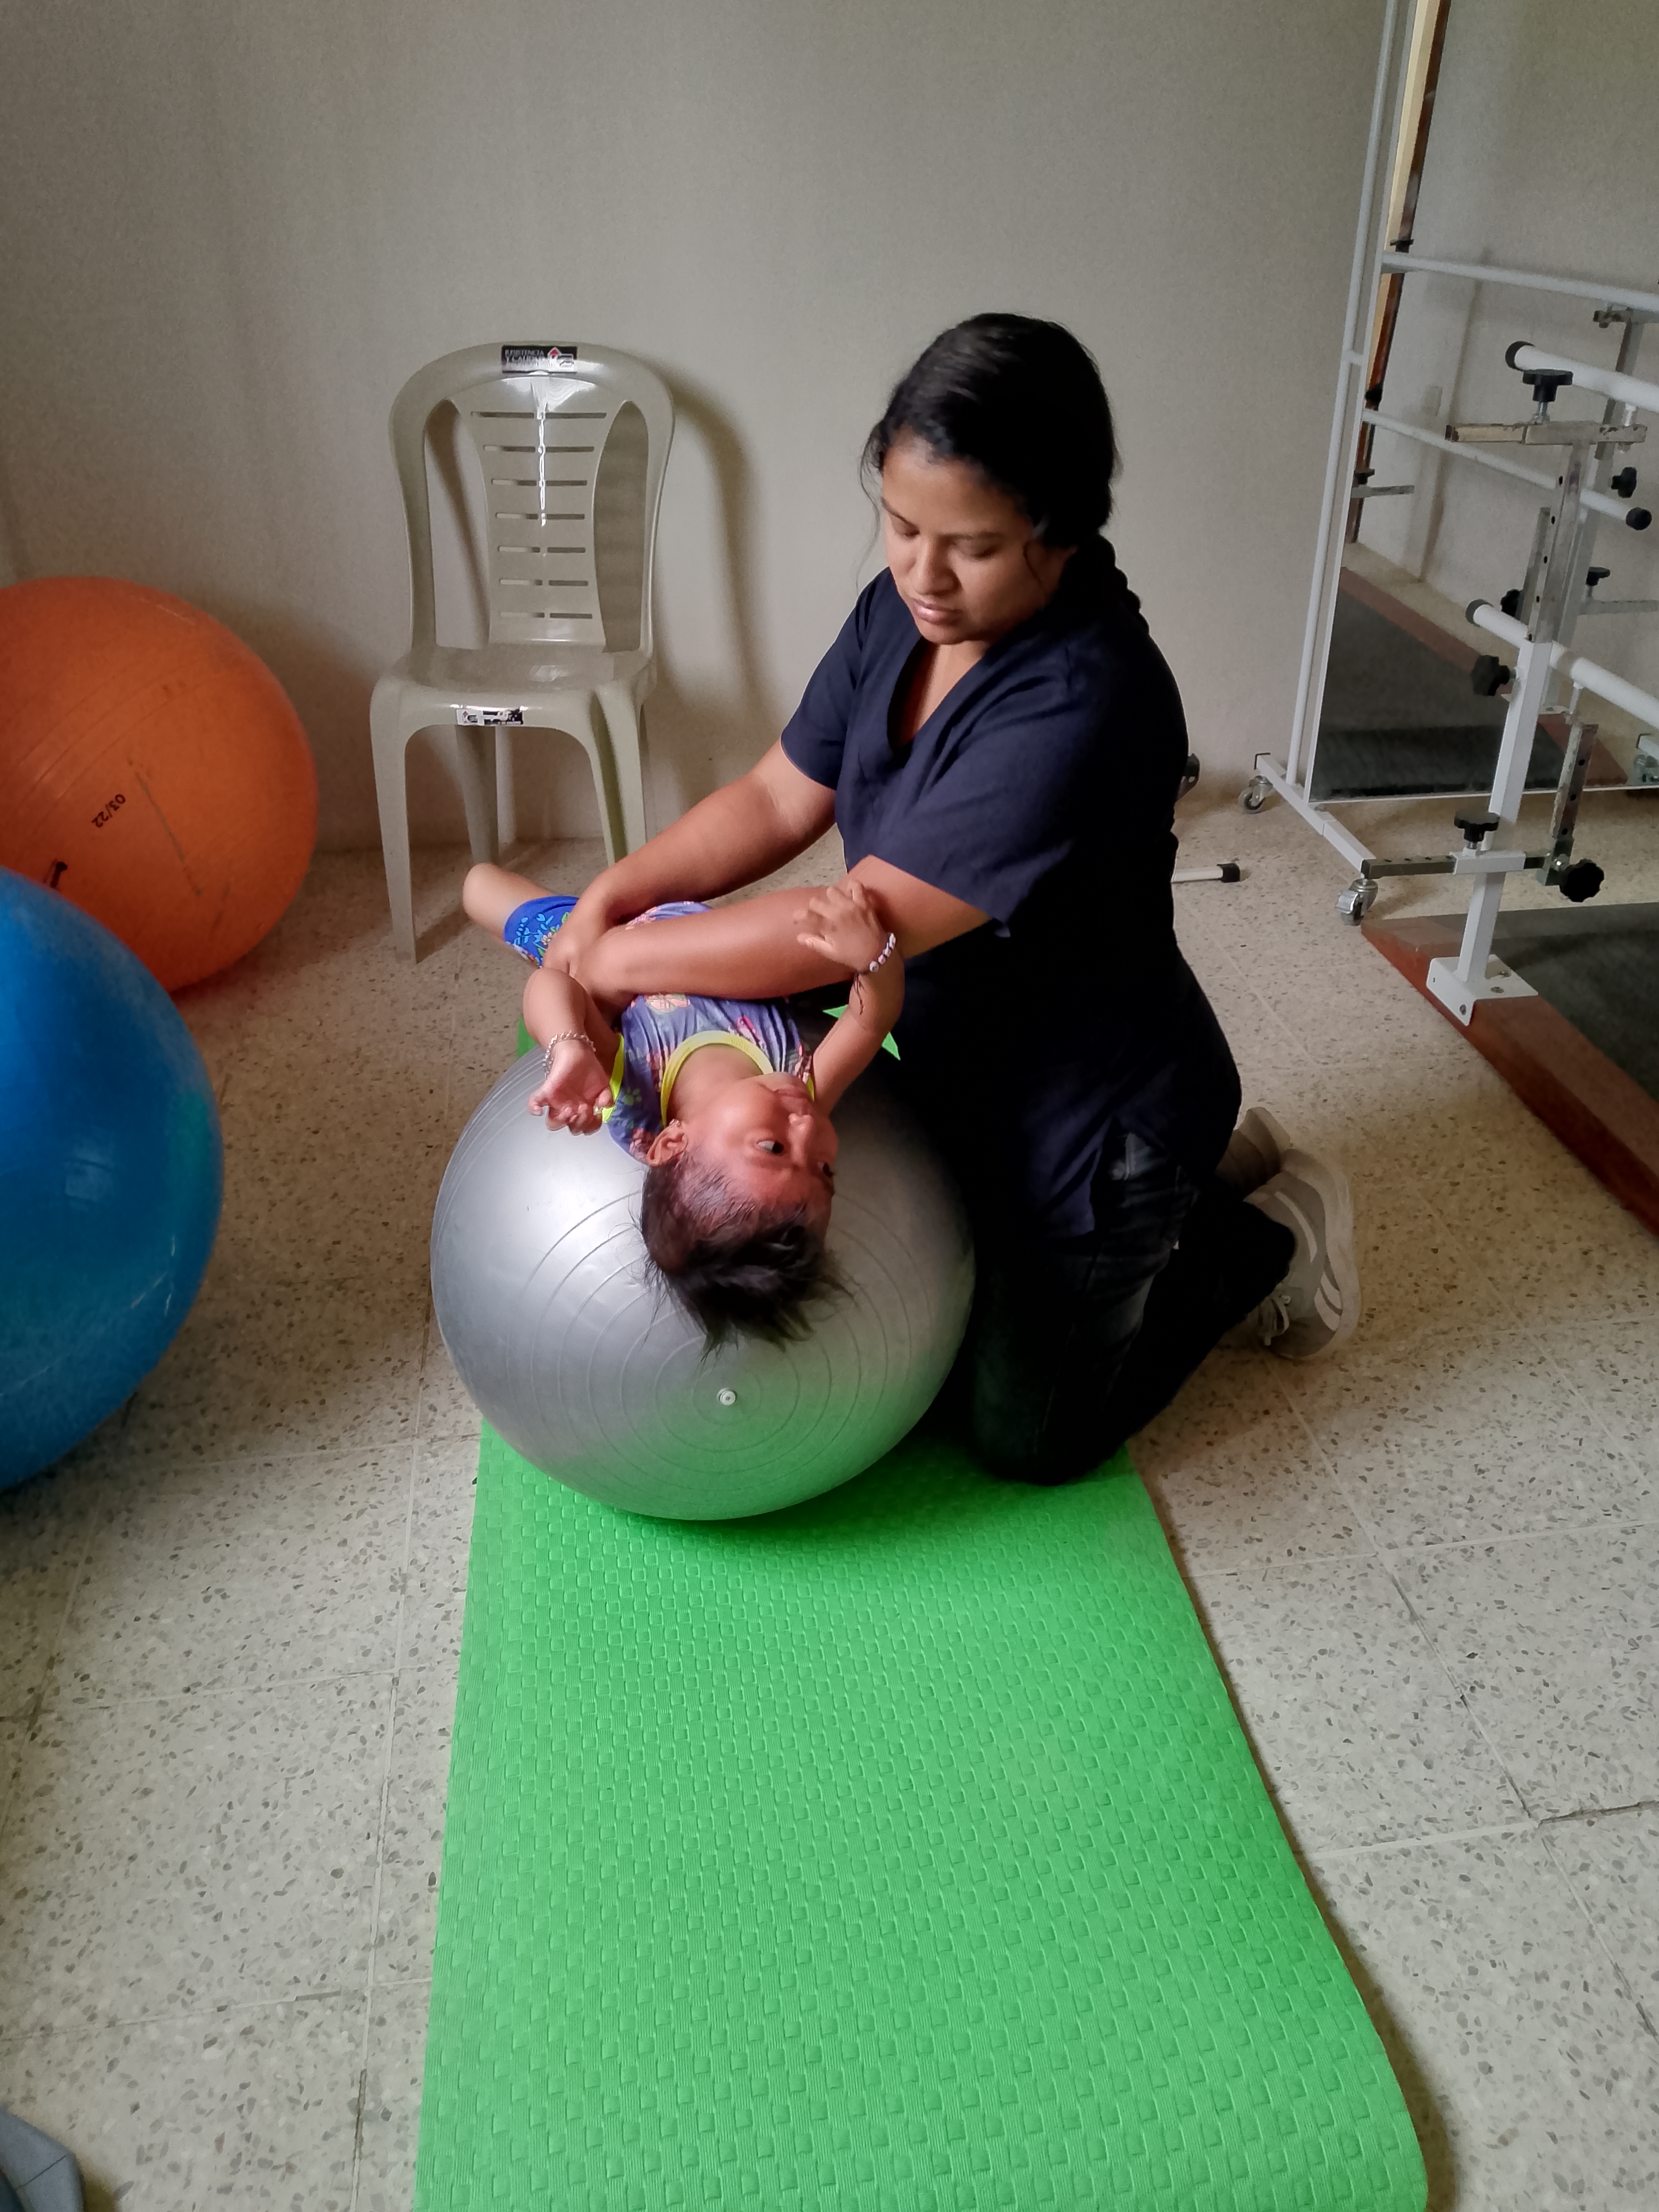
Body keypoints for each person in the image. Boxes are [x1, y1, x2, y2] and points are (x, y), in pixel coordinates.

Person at [531, 312, 1359, 1482]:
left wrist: (615, 961)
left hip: (1096, 1124)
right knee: (930, 1334)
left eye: (970, 546)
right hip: (966, 1071)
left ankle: (1267, 1234)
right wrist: (610, 897)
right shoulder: (901, 614)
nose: (922, 572)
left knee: (1025, 1438)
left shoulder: (1086, 704)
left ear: (1062, 534)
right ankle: (1207, 1192)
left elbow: (845, 930)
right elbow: (775, 795)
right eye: (902, 523)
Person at [460, 861, 904, 1347]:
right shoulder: (802, 1088)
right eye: (825, 1169)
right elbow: (868, 1021)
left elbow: (550, 986)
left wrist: (568, 1043)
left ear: (672, 1142)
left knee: (479, 888)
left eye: (773, 1148)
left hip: (597, 945)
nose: (807, 1129)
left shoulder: (630, 1085)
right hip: (698, 933)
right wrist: (875, 958)